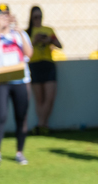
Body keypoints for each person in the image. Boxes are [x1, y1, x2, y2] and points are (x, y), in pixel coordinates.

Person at [0, 3, 33, 167]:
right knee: (0, 117)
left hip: (20, 80)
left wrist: (19, 31)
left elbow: (29, 53)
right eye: (1, 15)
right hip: (0, 81)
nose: (4, 18)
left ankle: (20, 152)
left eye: (6, 15)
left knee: (21, 117)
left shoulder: (20, 34)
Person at [26, 6, 60, 134]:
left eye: (40, 17)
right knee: (39, 99)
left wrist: (49, 40)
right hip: (34, 65)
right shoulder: (27, 32)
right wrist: (35, 41)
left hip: (48, 64)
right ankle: (44, 126)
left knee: (50, 97)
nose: (38, 19)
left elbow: (59, 45)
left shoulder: (48, 30)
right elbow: (24, 50)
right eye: (35, 17)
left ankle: (40, 125)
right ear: (31, 18)